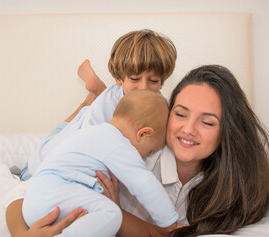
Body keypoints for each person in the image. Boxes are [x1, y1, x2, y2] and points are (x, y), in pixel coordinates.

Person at [5, 64, 269, 237]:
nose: (188, 129)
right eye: (180, 114)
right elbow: (21, 193)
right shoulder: (133, 153)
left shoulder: (233, 182)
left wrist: (122, 216)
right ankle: (92, 98)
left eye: (207, 122)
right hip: (51, 164)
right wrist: (21, 235)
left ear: (227, 131)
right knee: (62, 132)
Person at [20, 29, 177, 180]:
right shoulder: (104, 112)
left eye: (154, 81)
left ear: (162, 83)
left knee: (85, 112)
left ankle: (94, 95)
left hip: (96, 109)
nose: (144, 88)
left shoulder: (161, 105)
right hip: (38, 168)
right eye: (135, 79)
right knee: (67, 129)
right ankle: (92, 98)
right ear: (118, 79)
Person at [22, 90, 179, 237]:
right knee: (111, 213)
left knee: (98, 223)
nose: (145, 157)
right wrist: (170, 222)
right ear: (143, 134)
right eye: (150, 151)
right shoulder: (118, 144)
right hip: (52, 196)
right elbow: (144, 184)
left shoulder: (96, 133)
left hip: (36, 200)